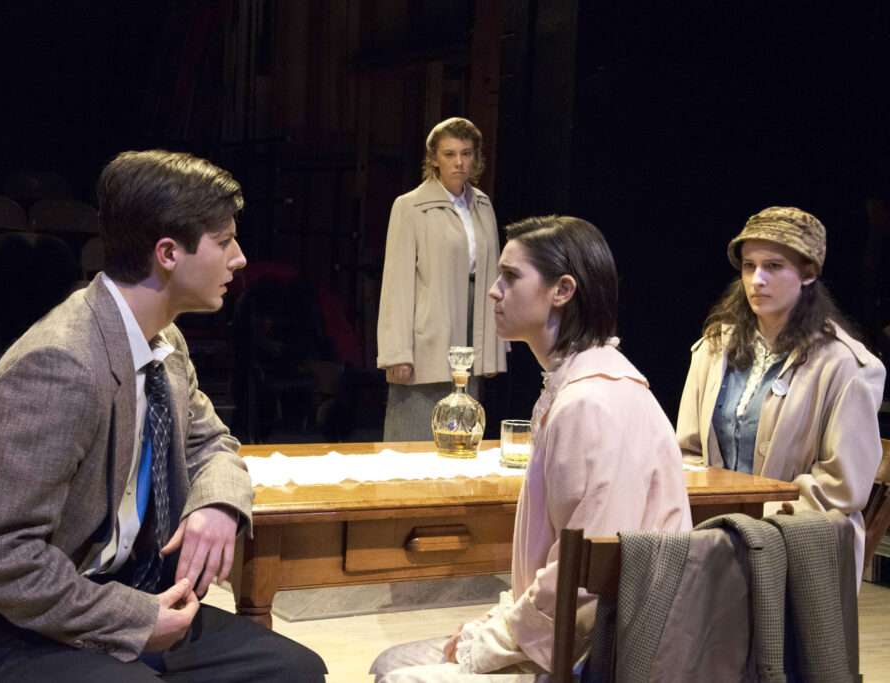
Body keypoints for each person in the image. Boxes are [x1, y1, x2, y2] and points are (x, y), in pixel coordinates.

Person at [0, 150, 326, 682]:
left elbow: (212, 444)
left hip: (119, 592)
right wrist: (133, 619)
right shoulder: (59, 364)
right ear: (168, 253)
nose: (240, 258)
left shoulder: (165, 342)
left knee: (293, 669)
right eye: (224, 241)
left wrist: (218, 505)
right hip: (7, 626)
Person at [370, 216, 692, 680]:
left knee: (399, 672)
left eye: (511, 276)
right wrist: (495, 623)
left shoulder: (590, 402)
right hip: (574, 631)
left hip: (601, 655)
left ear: (562, 290)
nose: (494, 291)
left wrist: (490, 643)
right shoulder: (584, 381)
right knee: (394, 660)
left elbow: (585, 585)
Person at [676, 206, 886, 588]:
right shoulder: (713, 348)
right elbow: (688, 453)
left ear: (808, 273)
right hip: (713, 538)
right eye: (749, 266)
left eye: (774, 266)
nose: (757, 279)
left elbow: (843, 486)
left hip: (798, 547)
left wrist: (754, 519)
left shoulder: (846, 365)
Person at [377, 117, 508, 441]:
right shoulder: (411, 207)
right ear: (433, 158)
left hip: (471, 323)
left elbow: (493, 277)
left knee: (462, 426)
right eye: (449, 154)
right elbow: (397, 282)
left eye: (466, 154)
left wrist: (493, 345)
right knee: (415, 425)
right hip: (429, 329)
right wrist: (396, 352)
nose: (459, 163)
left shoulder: (482, 206)